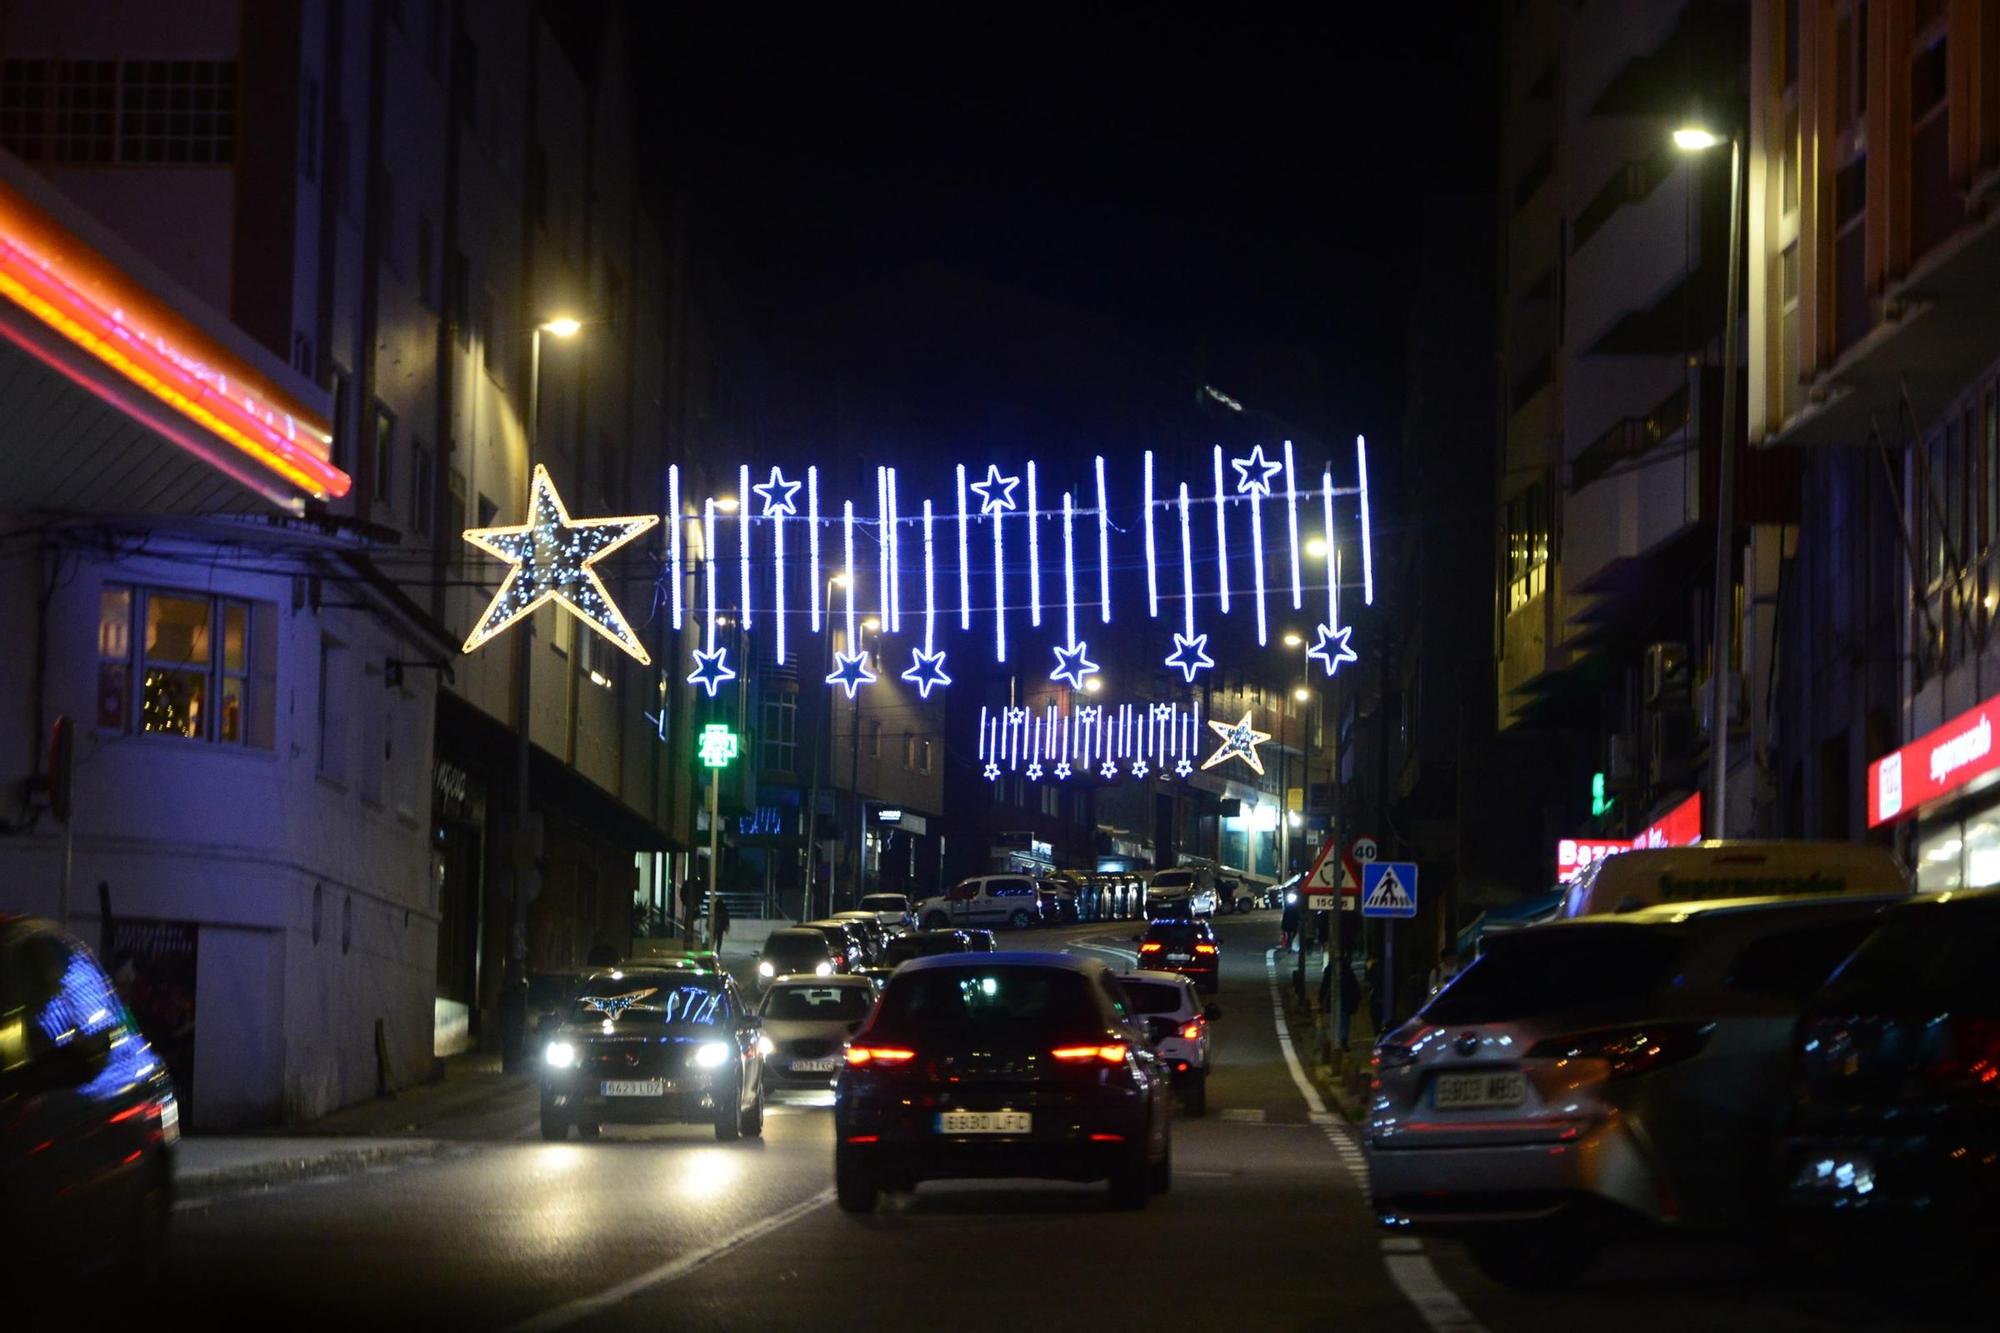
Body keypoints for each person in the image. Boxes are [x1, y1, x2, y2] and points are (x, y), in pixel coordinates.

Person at [1338, 958, 1362, 1051]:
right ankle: (1343, 1039)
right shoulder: (1349, 973)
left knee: (1341, 1019)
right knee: (1345, 1020)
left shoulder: (1333, 970)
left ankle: (1341, 1039)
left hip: (1342, 999)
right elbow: (1355, 986)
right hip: (1346, 1000)